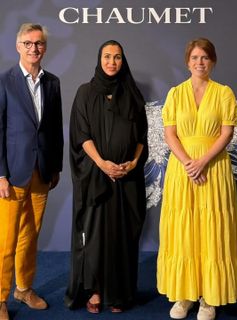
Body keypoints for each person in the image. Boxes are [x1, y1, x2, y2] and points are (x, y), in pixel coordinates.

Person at [157, 38, 237, 320]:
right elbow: (170, 133)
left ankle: (209, 297)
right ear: (187, 61)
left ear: (213, 61)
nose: (199, 62)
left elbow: (226, 133)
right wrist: (187, 162)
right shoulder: (175, 93)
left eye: (205, 58)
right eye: (195, 57)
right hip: (182, 171)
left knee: (212, 228)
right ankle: (184, 295)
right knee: (184, 229)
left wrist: (203, 162)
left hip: (214, 168)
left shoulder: (224, 93)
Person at [64, 40, 148, 314]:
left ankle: (120, 293)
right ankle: (97, 291)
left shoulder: (133, 94)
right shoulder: (86, 92)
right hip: (96, 178)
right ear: (99, 59)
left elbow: (141, 137)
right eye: (107, 57)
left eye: (118, 57)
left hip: (127, 179)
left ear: (124, 61)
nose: (112, 62)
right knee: (97, 238)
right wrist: (103, 164)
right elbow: (81, 134)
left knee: (123, 237)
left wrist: (133, 162)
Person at [0, 23, 63, 320]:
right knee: (6, 239)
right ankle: (0, 298)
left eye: (38, 44)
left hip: (42, 172)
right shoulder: (5, 81)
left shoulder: (53, 83)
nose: (33, 48)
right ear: (18, 46)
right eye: (27, 43)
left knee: (31, 235)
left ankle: (24, 289)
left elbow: (54, 129)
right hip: (12, 175)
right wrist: (0, 174)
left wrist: (56, 167)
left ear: (44, 48)